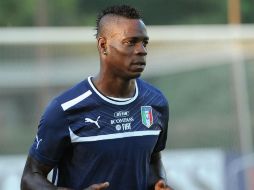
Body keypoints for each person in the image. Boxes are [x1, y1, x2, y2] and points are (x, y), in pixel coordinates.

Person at [21, 4, 172, 190]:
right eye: (130, 42)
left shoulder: (156, 102)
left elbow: (153, 161)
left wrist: (158, 183)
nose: (142, 50)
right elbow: (30, 178)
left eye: (144, 42)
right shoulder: (66, 109)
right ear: (103, 45)